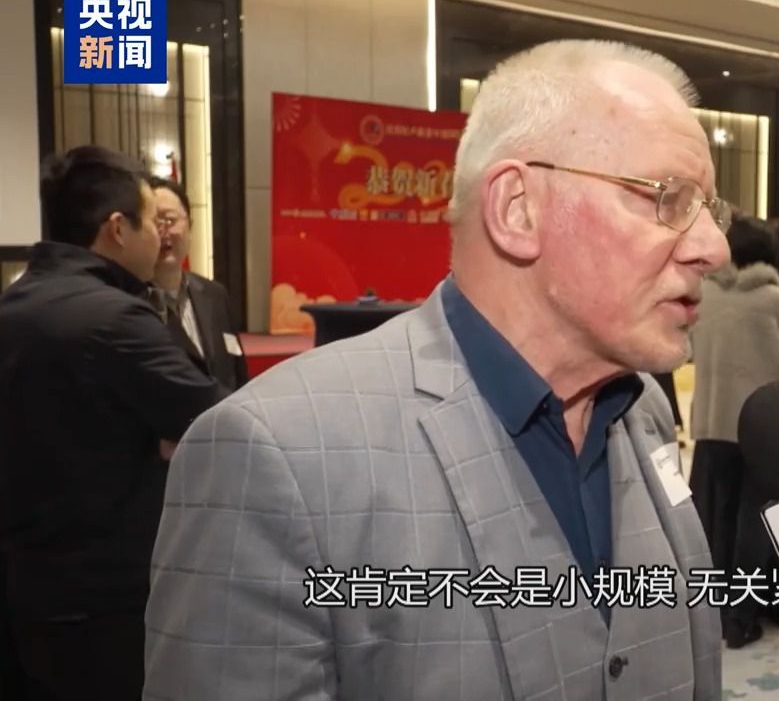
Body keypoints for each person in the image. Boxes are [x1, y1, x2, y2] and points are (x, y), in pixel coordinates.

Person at [143, 40, 730, 700]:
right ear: (517, 208)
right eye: (667, 198)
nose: (714, 247)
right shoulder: (275, 454)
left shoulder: (642, 408)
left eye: (711, 211)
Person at [0, 146, 226, 700]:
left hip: (26, 584)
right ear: (117, 229)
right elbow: (218, 421)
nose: (161, 237)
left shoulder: (16, 302)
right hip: (105, 597)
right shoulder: (115, 317)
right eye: (152, 222)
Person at [689, 216, 779, 649]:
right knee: (755, 521)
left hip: (712, 421)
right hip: (761, 426)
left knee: (719, 518)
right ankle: (741, 618)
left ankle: (713, 612)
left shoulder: (704, 292)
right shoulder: (772, 298)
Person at [148, 176, 249, 391]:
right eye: (153, 223)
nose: (162, 231)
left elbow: (238, 374)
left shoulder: (215, 294)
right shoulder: (129, 300)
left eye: (169, 220)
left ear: (190, 226)